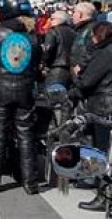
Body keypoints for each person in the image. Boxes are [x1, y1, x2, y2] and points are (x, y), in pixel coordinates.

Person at [0, 0, 40, 195]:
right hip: (26, 89)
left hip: (1, 88)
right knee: (26, 134)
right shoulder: (32, 35)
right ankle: (30, 182)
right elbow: (38, 62)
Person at [68, 21, 112, 212]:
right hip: (105, 104)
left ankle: (103, 195)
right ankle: (94, 181)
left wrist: (77, 77)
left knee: (102, 151)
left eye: (93, 36)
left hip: (103, 106)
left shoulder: (106, 53)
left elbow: (88, 81)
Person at [40, 10, 76, 89]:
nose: (50, 20)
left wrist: (42, 63)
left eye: (52, 19)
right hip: (70, 69)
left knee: (53, 97)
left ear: (59, 20)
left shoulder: (53, 32)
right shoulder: (73, 32)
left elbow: (47, 51)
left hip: (56, 70)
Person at [71, 1, 97, 79]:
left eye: (74, 13)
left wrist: (81, 65)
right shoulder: (81, 28)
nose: (72, 16)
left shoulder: (92, 29)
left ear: (80, 14)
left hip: (85, 74)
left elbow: (93, 50)